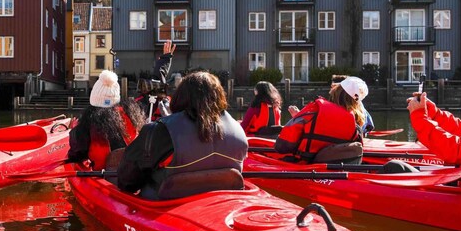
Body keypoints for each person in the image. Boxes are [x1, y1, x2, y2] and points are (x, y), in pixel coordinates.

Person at [117, 71, 248, 200]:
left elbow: (126, 181)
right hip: (222, 204)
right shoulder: (239, 130)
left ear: (180, 96)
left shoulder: (160, 130)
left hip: (163, 208)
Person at [275, 76, 366, 163]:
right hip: (337, 171)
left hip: (306, 168)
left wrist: (298, 118)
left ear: (335, 91)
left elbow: (282, 146)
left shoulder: (314, 109)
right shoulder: (356, 125)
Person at [68, 70, 145, 170]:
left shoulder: (88, 121)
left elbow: (77, 153)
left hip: (103, 173)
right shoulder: (132, 115)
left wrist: (73, 133)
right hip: (131, 170)